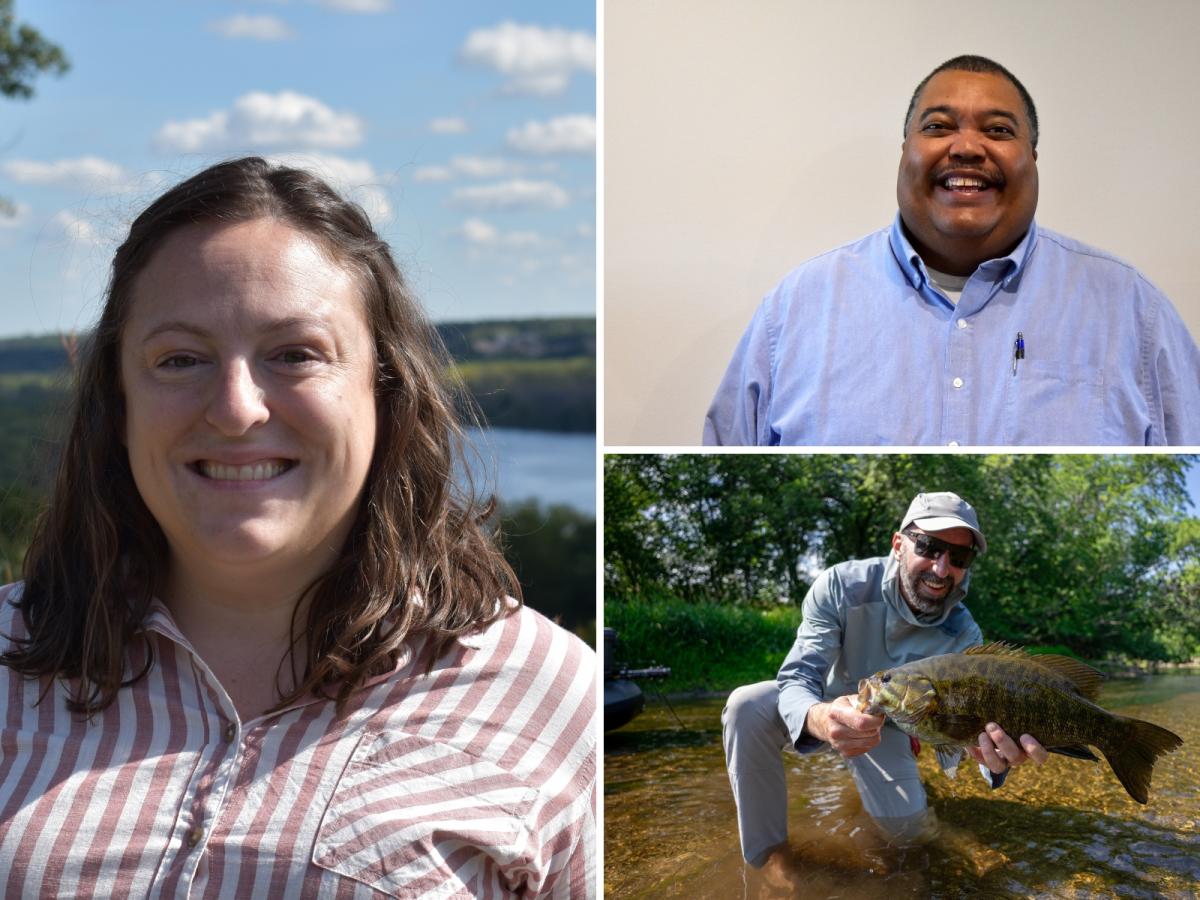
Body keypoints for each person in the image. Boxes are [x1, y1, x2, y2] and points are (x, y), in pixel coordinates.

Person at [0, 157, 595, 898]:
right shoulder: (7, 663)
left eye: (296, 355)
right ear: (118, 404)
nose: (237, 407)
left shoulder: (552, 697)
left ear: (387, 393)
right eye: (180, 359)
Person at [703, 54, 1200, 446]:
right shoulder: (795, 312)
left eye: (999, 130)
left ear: (1033, 158)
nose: (965, 148)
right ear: (905, 152)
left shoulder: (1134, 314)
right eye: (938, 126)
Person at [721, 492, 1047, 880]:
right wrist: (821, 718)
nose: (942, 569)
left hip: (892, 732)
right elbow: (797, 678)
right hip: (820, 707)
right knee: (746, 705)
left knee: (909, 839)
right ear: (898, 544)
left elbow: (978, 734)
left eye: (959, 558)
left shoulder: (965, 635)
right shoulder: (841, 585)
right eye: (929, 547)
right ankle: (771, 857)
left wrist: (996, 766)